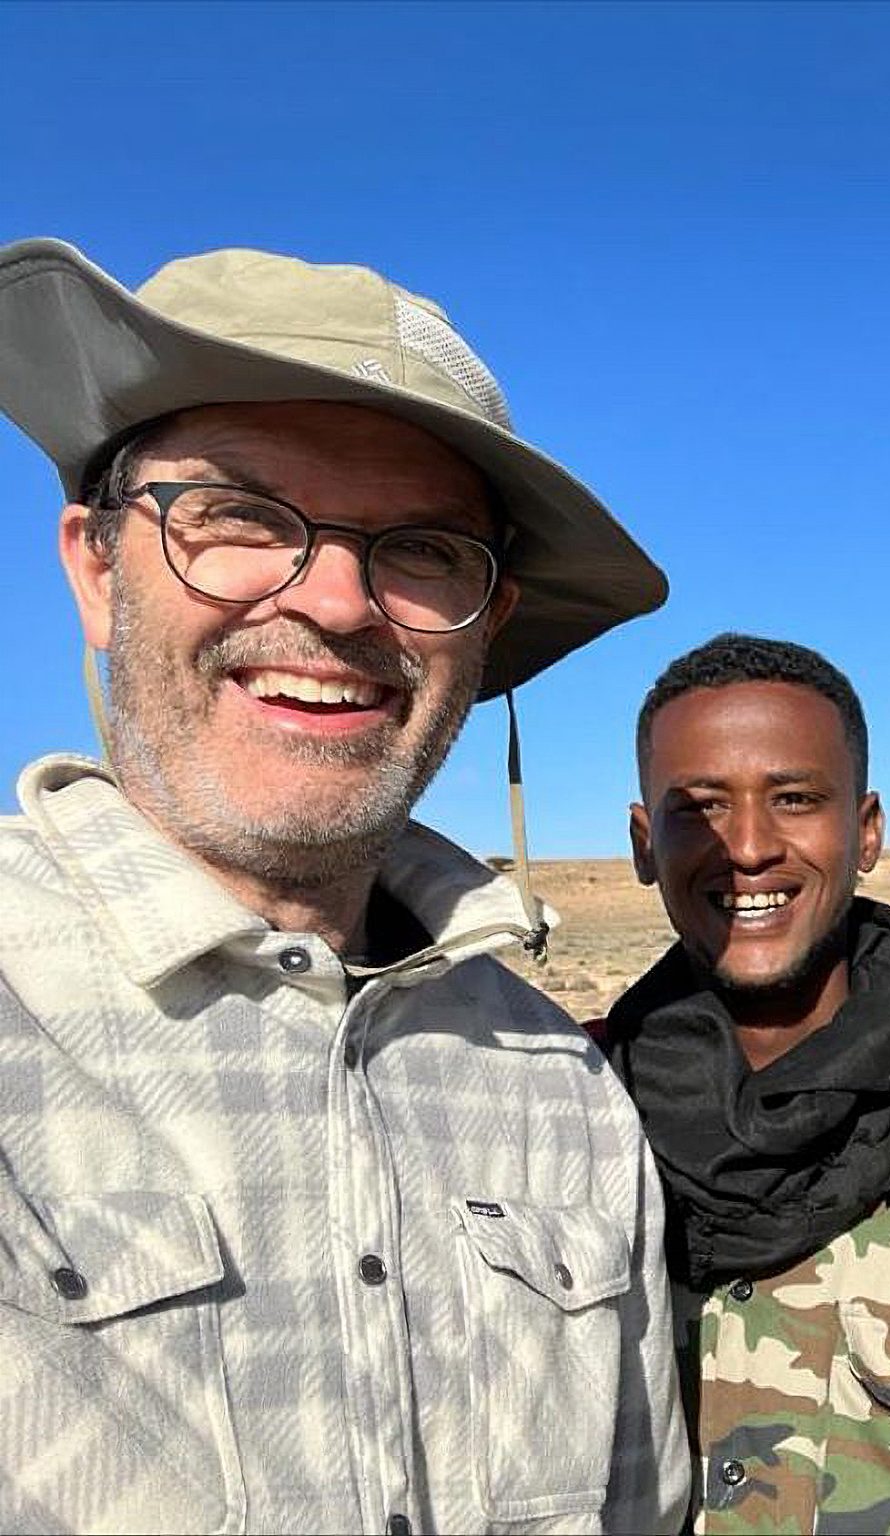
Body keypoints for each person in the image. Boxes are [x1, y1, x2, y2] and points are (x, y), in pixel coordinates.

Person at [0, 238, 688, 1532]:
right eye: (241, 517)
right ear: (96, 568)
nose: (334, 602)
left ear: (485, 625)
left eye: (422, 549)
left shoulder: (563, 1089)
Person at [603, 632, 890, 1535]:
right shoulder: (569, 1136)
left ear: (867, 831)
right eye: (700, 807)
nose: (747, 847)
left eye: (795, 800)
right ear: (644, 844)